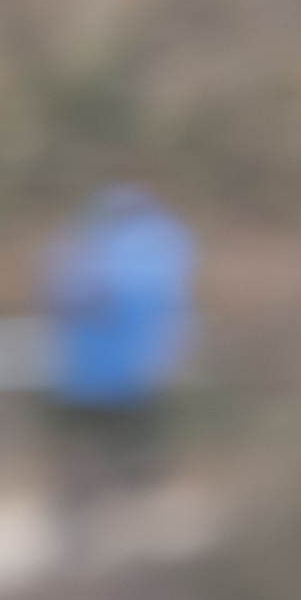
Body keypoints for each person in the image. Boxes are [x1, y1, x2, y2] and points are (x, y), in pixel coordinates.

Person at [46, 180, 195, 567]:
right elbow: (172, 313)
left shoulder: (84, 247)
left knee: (86, 457)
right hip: (141, 376)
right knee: (140, 458)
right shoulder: (166, 247)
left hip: (85, 377)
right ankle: (142, 541)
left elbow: (62, 300)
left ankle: (83, 540)